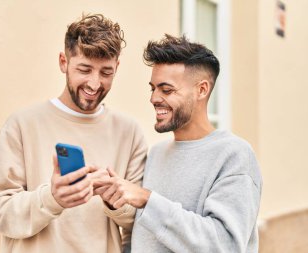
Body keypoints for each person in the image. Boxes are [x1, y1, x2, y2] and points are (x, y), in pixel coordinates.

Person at [0, 14, 147, 253]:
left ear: (117, 68)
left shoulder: (130, 133)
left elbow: (140, 223)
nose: (94, 83)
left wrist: (116, 202)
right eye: (84, 69)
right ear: (63, 62)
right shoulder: (22, 124)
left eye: (106, 72)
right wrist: (52, 198)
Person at [94, 34, 262, 252]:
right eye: (153, 88)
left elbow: (225, 244)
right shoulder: (157, 153)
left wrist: (147, 199)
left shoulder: (234, 154)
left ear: (201, 90)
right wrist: (116, 200)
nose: (154, 98)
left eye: (167, 89)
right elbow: (143, 235)